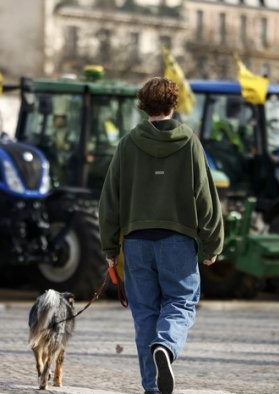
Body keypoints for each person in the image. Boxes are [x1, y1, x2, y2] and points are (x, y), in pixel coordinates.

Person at [98, 77, 224, 394]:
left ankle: (152, 388)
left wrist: (110, 248)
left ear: (143, 106)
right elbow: (205, 197)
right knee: (181, 302)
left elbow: (109, 199)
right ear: (174, 105)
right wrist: (212, 244)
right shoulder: (190, 143)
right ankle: (165, 347)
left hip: (137, 242)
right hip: (178, 241)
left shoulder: (127, 144)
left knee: (144, 315)